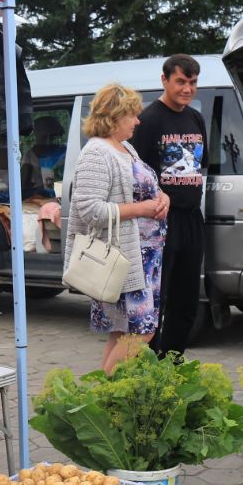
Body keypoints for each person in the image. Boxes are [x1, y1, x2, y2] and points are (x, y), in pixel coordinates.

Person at [67, 83, 169, 373]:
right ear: (114, 116)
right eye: (132, 115)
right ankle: (107, 398)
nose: (138, 121)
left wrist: (163, 198)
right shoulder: (97, 153)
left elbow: (146, 188)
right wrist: (142, 209)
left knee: (125, 331)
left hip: (146, 257)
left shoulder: (125, 148)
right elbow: (90, 210)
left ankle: (101, 399)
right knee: (141, 332)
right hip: (125, 260)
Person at [131, 55, 206, 357]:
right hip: (160, 223)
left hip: (191, 219)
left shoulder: (196, 118)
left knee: (186, 302)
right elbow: (137, 174)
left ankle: (172, 367)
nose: (187, 89)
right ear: (164, 80)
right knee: (156, 301)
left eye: (192, 83)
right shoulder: (149, 120)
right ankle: (150, 369)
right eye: (181, 82)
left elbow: (202, 166)